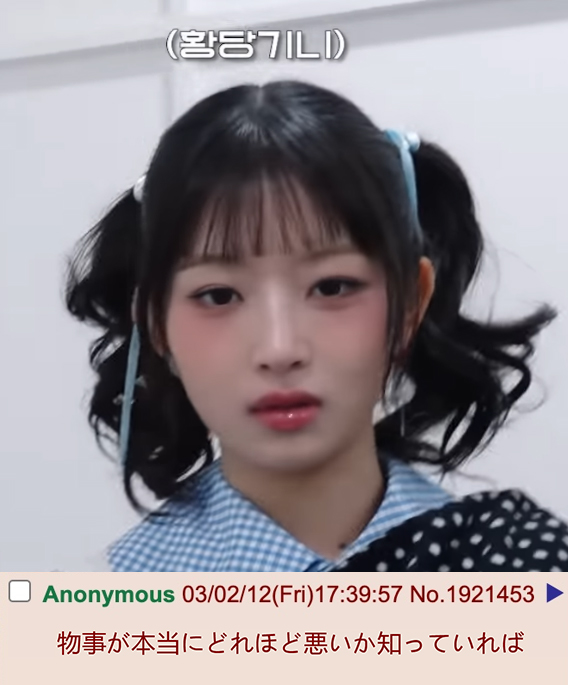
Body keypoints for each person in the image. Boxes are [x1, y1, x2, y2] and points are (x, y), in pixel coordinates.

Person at [65, 80, 568, 572]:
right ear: (157, 322)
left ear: (410, 304)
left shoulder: (519, 569)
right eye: (218, 295)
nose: (280, 349)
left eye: (332, 287)